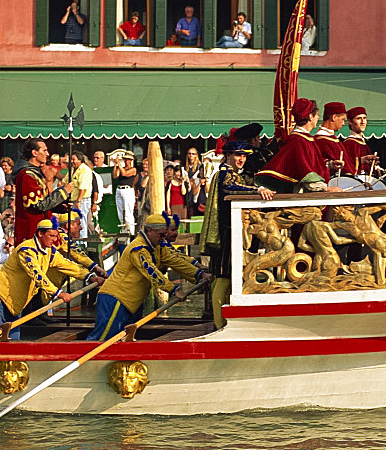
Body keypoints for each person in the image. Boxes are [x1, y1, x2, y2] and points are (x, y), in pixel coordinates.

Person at [0, 218, 94, 340]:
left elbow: (68, 265)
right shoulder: (26, 250)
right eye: (51, 236)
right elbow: (37, 275)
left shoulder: (49, 252)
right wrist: (59, 293)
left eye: (56, 236)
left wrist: (91, 277)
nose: (55, 240)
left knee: (13, 340)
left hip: (16, 304)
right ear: (41, 234)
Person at [201, 142, 273, 328]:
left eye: (244, 156)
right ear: (228, 156)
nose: (242, 159)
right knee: (223, 280)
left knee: (223, 280)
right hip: (226, 234)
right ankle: (219, 325)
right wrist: (257, 190)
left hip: (228, 233)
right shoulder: (226, 174)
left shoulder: (228, 173)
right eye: (238, 155)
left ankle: (221, 322)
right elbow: (230, 189)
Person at [87, 214, 188, 341]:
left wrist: (198, 274)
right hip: (116, 299)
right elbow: (152, 273)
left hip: (131, 303)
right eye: (161, 235)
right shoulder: (138, 249)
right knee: (102, 339)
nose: (163, 238)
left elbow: (179, 262)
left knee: (123, 339)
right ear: (149, 231)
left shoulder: (156, 247)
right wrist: (173, 290)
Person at [255, 99, 335, 194]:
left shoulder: (306, 139)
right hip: (303, 195)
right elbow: (305, 172)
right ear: (310, 116)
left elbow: (312, 165)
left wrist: (330, 165)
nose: (318, 118)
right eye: (316, 115)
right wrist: (325, 188)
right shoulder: (297, 140)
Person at [12, 139, 73, 243]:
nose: (47, 154)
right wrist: (63, 192)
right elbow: (37, 206)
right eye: (44, 150)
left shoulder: (35, 173)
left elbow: (43, 202)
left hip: (42, 230)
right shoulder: (27, 175)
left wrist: (59, 206)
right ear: (34, 153)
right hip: (32, 232)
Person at [314, 102, 347, 175]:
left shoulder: (334, 140)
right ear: (334, 117)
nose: (343, 123)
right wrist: (330, 164)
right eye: (342, 119)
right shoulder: (321, 140)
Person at [342, 107, 376, 176]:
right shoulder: (349, 143)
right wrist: (361, 161)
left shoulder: (363, 142)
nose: (363, 122)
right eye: (359, 118)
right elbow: (346, 166)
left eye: (364, 118)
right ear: (350, 122)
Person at [69, 151, 94, 238]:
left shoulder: (85, 170)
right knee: (75, 222)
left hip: (82, 200)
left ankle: (83, 244)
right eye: (71, 159)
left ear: (80, 160)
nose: (71, 161)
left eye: (73, 159)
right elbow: (65, 181)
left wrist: (79, 201)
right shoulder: (72, 169)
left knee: (81, 222)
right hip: (73, 200)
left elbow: (83, 188)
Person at [112, 150, 138, 234]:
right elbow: (115, 175)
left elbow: (124, 174)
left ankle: (131, 232)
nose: (126, 161)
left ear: (131, 160)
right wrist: (115, 165)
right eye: (125, 159)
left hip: (128, 190)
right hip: (119, 189)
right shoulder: (121, 168)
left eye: (128, 159)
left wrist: (119, 164)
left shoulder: (133, 169)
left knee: (128, 212)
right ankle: (123, 229)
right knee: (120, 211)